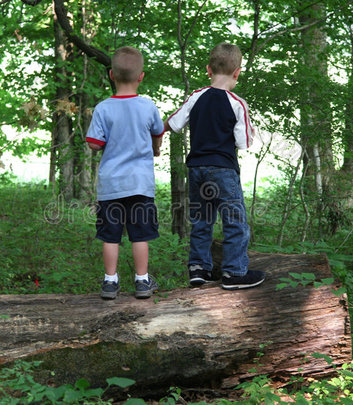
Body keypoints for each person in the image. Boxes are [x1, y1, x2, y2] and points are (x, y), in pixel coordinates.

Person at [164, 43, 265, 290]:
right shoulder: (237, 103)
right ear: (237, 72)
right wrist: (251, 128)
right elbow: (243, 143)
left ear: (208, 70)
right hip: (223, 170)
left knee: (201, 219)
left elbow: (173, 124)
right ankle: (234, 272)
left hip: (197, 169)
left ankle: (199, 269)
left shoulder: (196, 96)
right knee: (235, 220)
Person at [86, 46, 165, 300]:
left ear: (111, 75)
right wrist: (155, 148)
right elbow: (157, 133)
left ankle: (110, 281)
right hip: (140, 184)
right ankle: (142, 281)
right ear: (141, 77)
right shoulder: (147, 106)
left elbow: (93, 143)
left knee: (110, 236)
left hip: (111, 185)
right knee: (140, 234)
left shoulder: (103, 108)